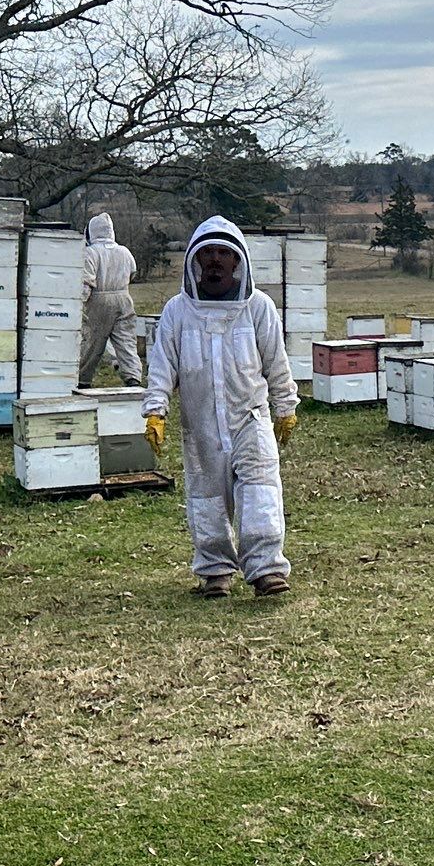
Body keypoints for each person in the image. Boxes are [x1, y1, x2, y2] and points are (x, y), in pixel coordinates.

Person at [143, 216, 299, 598]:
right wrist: (155, 409)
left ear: (237, 262)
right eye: (208, 253)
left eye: (223, 253)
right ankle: (216, 573)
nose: (215, 260)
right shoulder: (178, 312)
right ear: (196, 261)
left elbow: (276, 361)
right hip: (200, 426)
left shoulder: (258, 307)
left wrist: (286, 405)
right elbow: (162, 364)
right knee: (206, 499)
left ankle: (266, 571)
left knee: (260, 491)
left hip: (250, 418)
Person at [78, 212, 142, 387]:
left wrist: (79, 305)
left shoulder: (90, 253)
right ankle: (133, 378)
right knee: (126, 341)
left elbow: (86, 282)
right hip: (124, 298)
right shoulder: (125, 251)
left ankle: (82, 380)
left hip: (99, 300)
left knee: (92, 343)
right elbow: (132, 273)